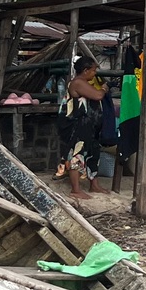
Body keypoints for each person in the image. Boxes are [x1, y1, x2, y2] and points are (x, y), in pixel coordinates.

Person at [58, 57, 106, 200]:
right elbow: (98, 95)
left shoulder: (84, 83)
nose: (95, 73)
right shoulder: (77, 83)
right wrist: (104, 88)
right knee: (76, 155)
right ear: (85, 70)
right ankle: (76, 190)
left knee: (93, 153)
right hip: (77, 126)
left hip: (88, 126)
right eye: (93, 70)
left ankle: (94, 185)